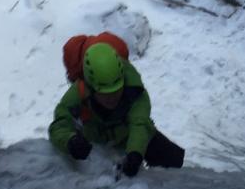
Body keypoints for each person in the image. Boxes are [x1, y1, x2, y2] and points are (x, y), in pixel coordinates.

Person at [49, 41, 185, 177]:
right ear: (91, 87)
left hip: (132, 135)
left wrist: (135, 152)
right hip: (98, 143)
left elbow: (139, 124)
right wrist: (70, 141)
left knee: (175, 161)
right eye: (104, 93)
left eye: (116, 90)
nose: (112, 97)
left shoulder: (135, 90)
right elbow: (59, 125)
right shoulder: (78, 94)